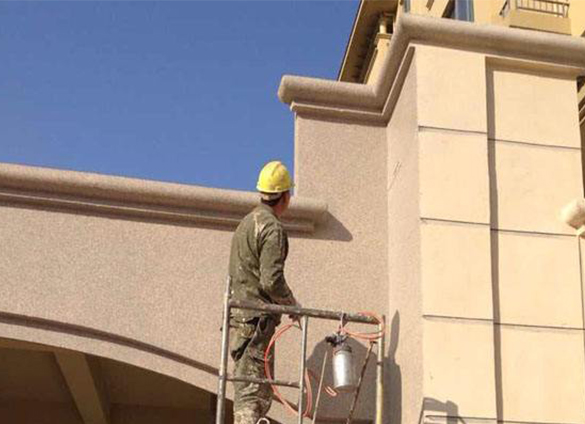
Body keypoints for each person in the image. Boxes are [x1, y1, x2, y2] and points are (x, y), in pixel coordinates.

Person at [228, 160, 299, 424]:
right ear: (285, 196)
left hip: (241, 321)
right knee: (252, 397)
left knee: (250, 391)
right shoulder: (271, 227)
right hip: (255, 322)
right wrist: (292, 304)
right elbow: (271, 280)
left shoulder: (246, 223)